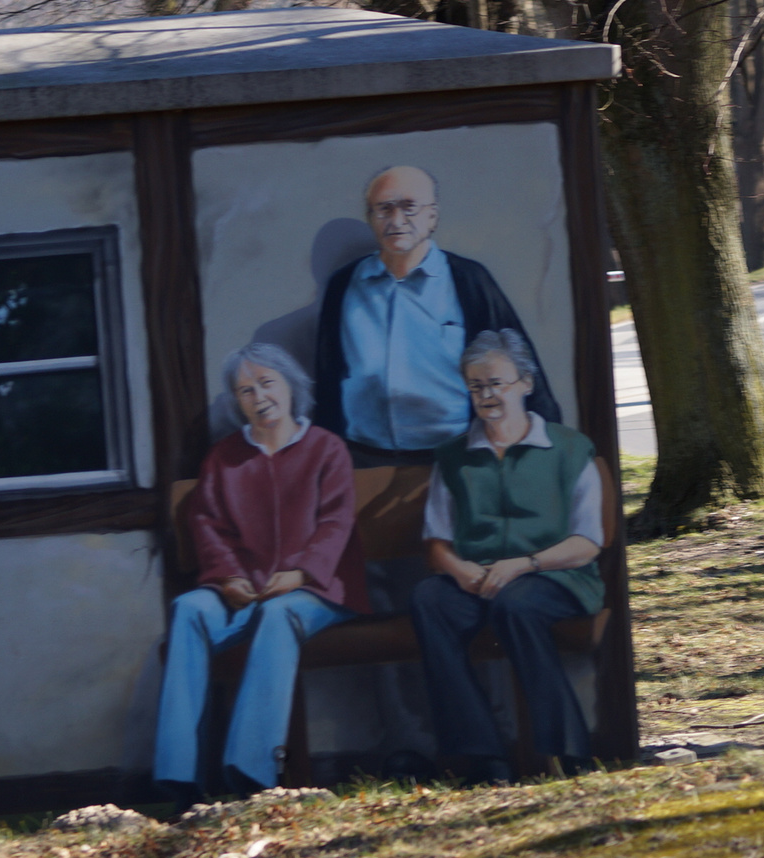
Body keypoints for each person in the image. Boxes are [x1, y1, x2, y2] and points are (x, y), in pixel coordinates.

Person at [152, 344, 369, 805]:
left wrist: (300, 573)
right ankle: (176, 774)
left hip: (315, 590)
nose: (259, 396)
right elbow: (207, 524)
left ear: (292, 386)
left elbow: (336, 522)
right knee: (189, 608)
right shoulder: (224, 457)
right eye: (245, 390)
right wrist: (228, 577)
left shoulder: (326, 449)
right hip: (244, 588)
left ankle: (251, 770)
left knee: (279, 616)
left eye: (267, 383)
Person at [408, 329, 604, 784]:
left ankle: (567, 753)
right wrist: (461, 572)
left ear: (526, 384)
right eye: (476, 386)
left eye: (497, 383)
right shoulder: (454, 458)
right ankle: (481, 759)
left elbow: (588, 542)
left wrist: (523, 564)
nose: (487, 395)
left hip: (557, 576)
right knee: (428, 599)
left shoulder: (569, 449)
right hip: (478, 579)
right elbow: (436, 541)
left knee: (516, 605)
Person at [312, 165, 559, 468]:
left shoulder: (468, 280)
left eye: (409, 208)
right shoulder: (344, 285)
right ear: (370, 218)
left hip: (459, 459)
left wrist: (542, 453)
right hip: (361, 458)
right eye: (384, 209)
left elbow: (519, 366)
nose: (396, 220)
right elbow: (326, 377)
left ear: (432, 216)